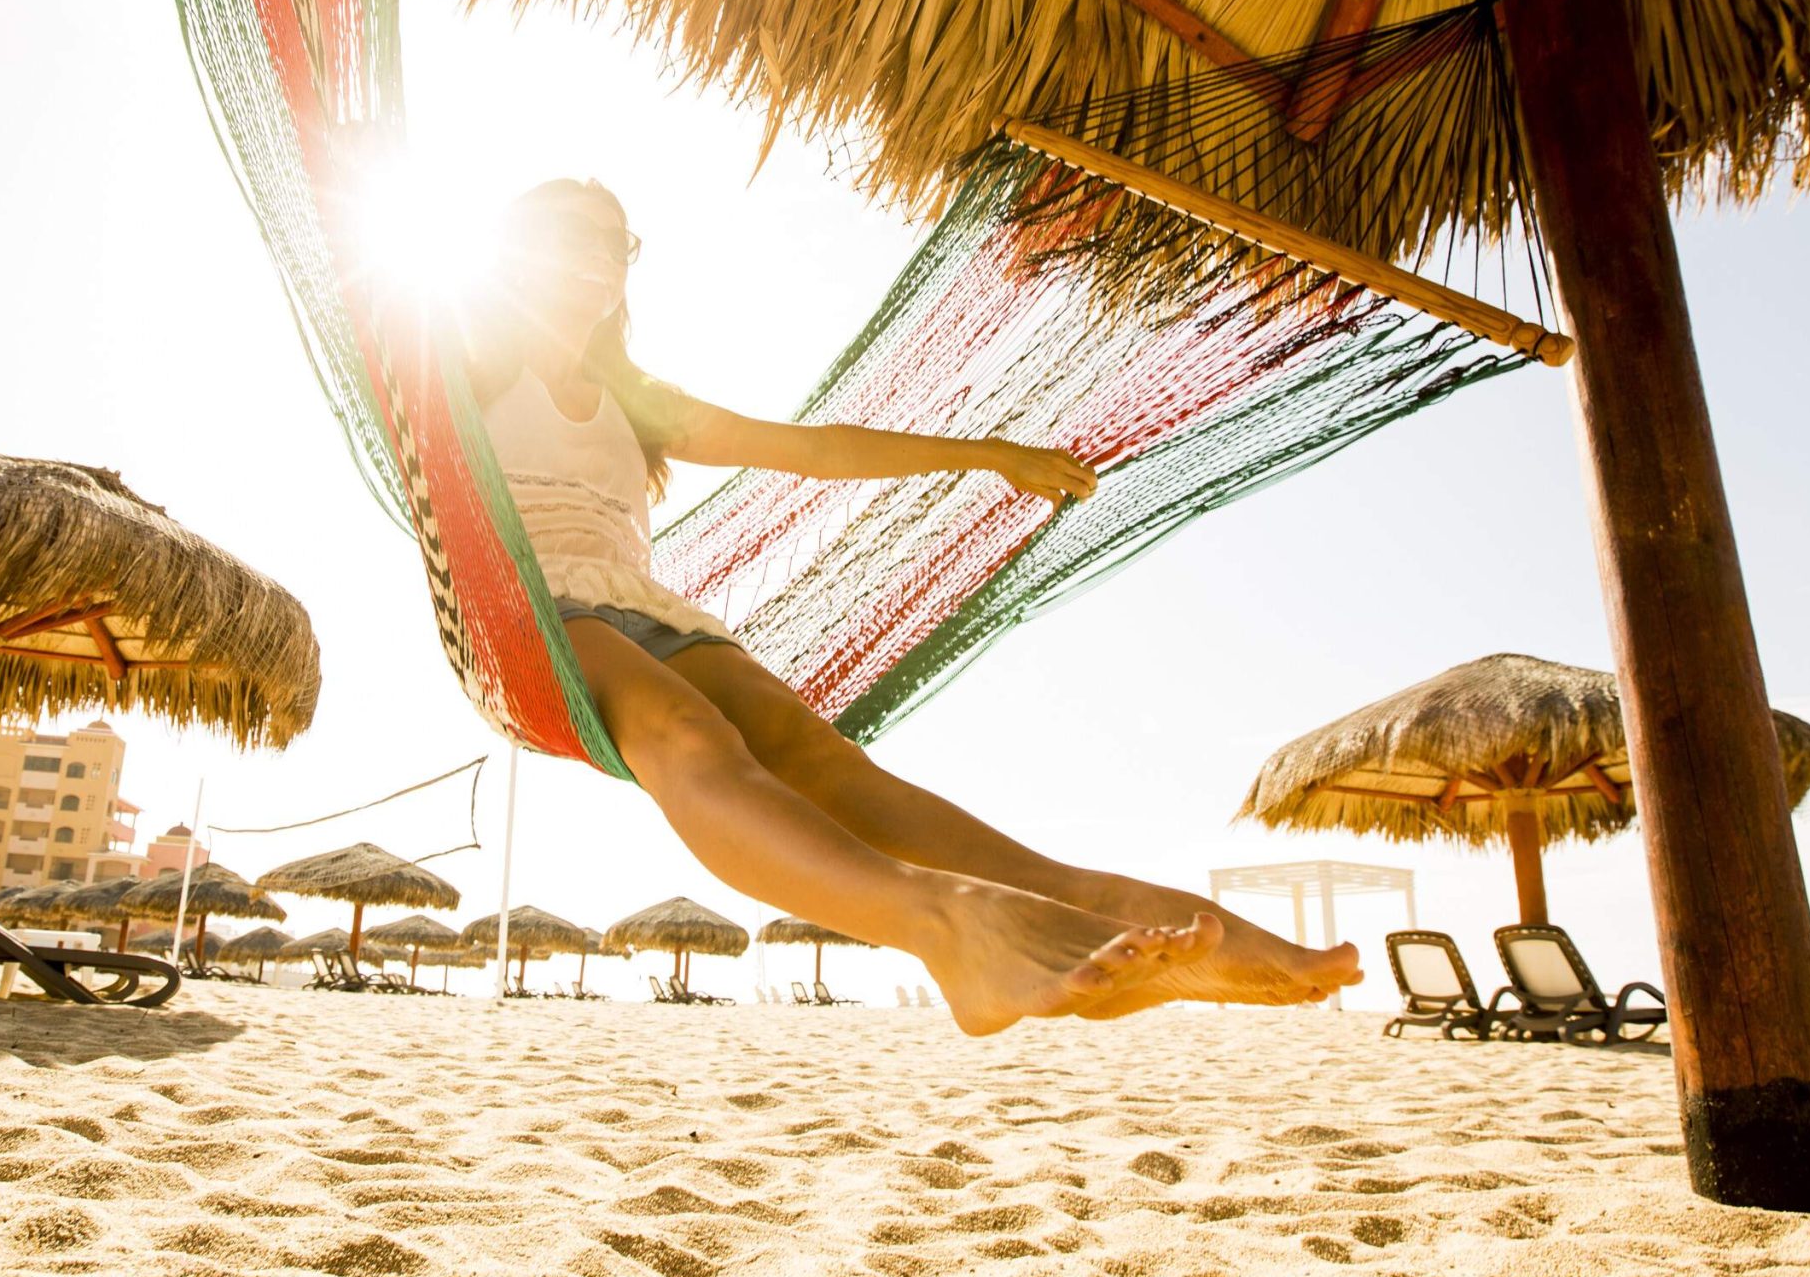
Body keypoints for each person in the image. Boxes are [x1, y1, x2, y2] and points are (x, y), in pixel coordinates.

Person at [460, 178, 1362, 1034]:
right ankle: (947, 927)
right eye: (567, 235)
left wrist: (983, 452)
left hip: (647, 613)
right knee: (688, 737)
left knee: (821, 757)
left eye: (613, 242)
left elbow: (814, 449)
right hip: (526, 612)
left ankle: (1090, 903)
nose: (594, 256)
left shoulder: (640, 402)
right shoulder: (459, 366)